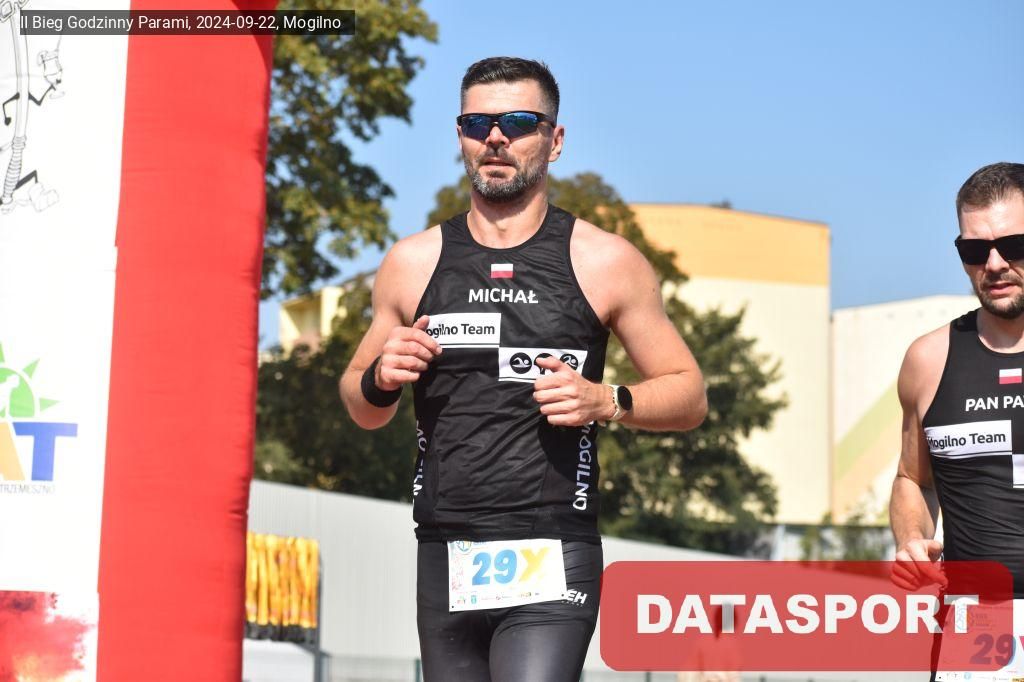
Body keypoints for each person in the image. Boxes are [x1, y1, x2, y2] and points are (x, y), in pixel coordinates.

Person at [340, 56, 708, 681]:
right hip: (446, 546)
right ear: (460, 137)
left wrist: (607, 401)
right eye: (476, 124)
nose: (495, 137)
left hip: (552, 541)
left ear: (554, 140)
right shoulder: (412, 262)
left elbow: (689, 394)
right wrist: (380, 377)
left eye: (516, 122)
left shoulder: (604, 261)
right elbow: (361, 405)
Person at [890, 162, 1024, 678]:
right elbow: (912, 479)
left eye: (1013, 245)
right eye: (974, 250)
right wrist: (911, 539)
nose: (994, 264)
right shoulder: (927, 360)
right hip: (976, 634)